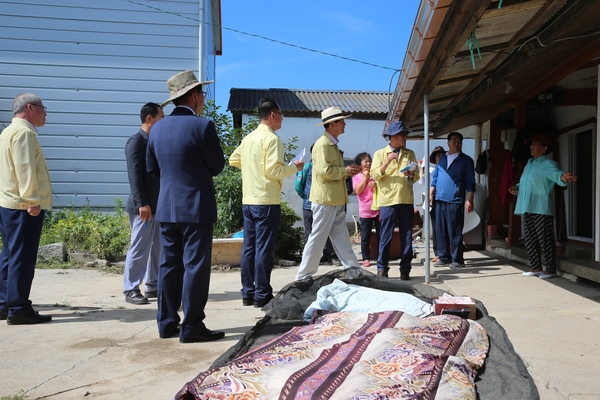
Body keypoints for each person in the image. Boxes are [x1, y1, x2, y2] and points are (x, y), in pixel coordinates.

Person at [146, 70, 225, 343]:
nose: (203, 97)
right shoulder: (202, 126)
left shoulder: (156, 128)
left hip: (167, 207)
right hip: (196, 206)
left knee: (169, 265)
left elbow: (151, 168)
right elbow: (217, 166)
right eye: (202, 93)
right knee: (195, 266)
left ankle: (166, 323)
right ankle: (192, 325)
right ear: (192, 96)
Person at [229, 98, 303, 308]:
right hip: (267, 200)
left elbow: (233, 160)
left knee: (249, 247)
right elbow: (274, 170)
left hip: (249, 198)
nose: (282, 119)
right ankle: (262, 293)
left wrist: (252, 168)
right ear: (272, 115)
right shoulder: (272, 139)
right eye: (281, 114)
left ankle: (248, 292)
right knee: (264, 248)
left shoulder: (249, 138)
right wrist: (294, 167)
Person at [0, 93, 52, 325]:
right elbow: (25, 169)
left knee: (10, 256)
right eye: (43, 108)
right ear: (30, 108)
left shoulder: (8, 131)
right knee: (22, 258)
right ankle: (19, 308)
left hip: (9, 204)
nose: (46, 113)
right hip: (23, 206)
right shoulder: (23, 132)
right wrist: (33, 200)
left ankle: (4, 304)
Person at [294, 106, 361, 285]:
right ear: (332, 124)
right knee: (317, 237)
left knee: (341, 236)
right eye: (342, 121)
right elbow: (324, 171)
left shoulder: (330, 143)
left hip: (334, 199)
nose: (345, 124)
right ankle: (303, 276)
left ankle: (353, 269)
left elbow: (332, 171)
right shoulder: (322, 144)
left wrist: (346, 171)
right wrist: (345, 170)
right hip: (325, 200)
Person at [509, 134, 576, 279]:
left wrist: (562, 177)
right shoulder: (529, 164)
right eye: (531, 145)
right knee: (531, 238)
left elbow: (556, 174)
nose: (532, 147)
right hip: (528, 205)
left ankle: (550, 269)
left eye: (536, 145)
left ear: (545, 148)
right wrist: (517, 188)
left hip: (541, 207)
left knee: (545, 239)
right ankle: (536, 268)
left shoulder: (549, 164)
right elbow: (527, 182)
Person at [123, 102, 165, 305]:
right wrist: (142, 203)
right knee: (139, 247)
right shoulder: (136, 142)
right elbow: (134, 176)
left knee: (157, 247)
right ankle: (131, 287)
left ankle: (153, 285)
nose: (163, 122)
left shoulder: (152, 142)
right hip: (144, 207)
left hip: (157, 206)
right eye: (161, 118)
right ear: (150, 119)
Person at [370, 121, 420, 280]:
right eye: (401, 135)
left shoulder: (409, 153)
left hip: (405, 199)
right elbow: (374, 175)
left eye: (405, 134)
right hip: (388, 200)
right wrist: (387, 162)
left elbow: (416, 176)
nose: (405, 137)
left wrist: (411, 175)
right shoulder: (380, 154)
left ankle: (405, 269)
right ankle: (382, 269)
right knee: (386, 236)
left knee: (407, 236)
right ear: (392, 137)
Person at [429, 132, 476, 269]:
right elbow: (436, 177)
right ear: (448, 143)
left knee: (454, 231)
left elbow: (470, 182)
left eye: (459, 141)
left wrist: (470, 200)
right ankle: (444, 257)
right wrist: (432, 193)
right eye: (454, 140)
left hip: (455, 200)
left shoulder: (466, 160)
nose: (457, 143)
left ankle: (458, 259)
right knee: (441, 230)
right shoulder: (443, 158)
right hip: (439, 200)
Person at [295, 145, 337, 265]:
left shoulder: (328, 167)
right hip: (309, 207)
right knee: (310, 233)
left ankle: (331, 256)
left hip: (324, 205)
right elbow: (298, 186)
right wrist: (307, 197)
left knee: (328, 231)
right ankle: (312, 260)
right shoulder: (307, 167)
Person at [352, 152, 380, 267]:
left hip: (378, 210)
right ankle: (366, 258)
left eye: (369, 161)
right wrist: (365, 178)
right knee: (365, 237)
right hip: (365, 211)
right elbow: (357, 190)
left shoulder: (375, 175)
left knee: (381, 235)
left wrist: (376, 185)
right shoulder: (356, 177)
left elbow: (382, 189)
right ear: (360, 165)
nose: (368, 164)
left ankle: (381, 256)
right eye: (365, 161)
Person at [418, 146, 445, 262]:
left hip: (444, 200)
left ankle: (444, 252)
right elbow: (421, 181)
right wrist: (421, 168)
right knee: (436, 228)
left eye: (442, 155)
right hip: (433, 200)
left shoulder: (446, 169)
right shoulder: (431, 170)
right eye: (438, 156)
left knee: (443, 228)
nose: (440, 158)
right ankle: (438, 253)